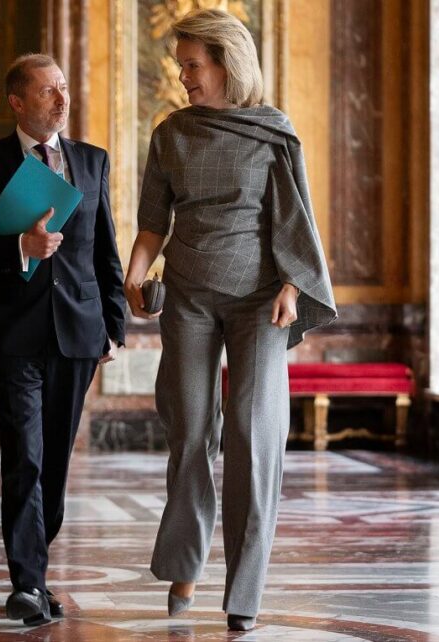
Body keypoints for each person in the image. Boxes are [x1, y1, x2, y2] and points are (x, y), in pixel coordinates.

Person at [124, 9, 336, 632]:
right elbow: (152, 225)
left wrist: (296, 286)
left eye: (192, 65)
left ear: (226, 63)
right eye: (180, 65)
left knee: (251, 435)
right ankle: (186, 563)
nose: (183, 76)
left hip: (262, 302)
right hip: (187, 296)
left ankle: (244, 590)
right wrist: (133, 278)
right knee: (190, 429)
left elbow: (296, 221)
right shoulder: (170, 134)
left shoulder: (273, 131)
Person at [0, 53, 126, 626]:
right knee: (24, 457)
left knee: (53, 463)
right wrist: (19, 250)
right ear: (17, 102)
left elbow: (106, 252)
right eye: (48, 90)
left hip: (79, 332)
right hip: (14, 337)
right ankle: (27, 584)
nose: (61, 98)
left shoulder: (92, 161)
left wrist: (114, 326)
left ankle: (38, 567)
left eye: (64, 88)